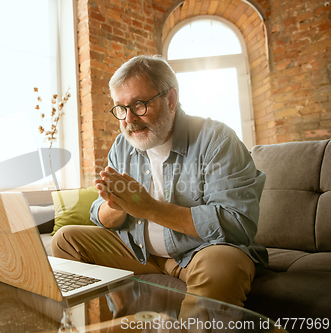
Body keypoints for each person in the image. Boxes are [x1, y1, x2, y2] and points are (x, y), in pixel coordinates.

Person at [51, 54, 267, 308]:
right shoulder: (123, 145)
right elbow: (99, 214)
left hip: (200, 253)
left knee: (222, 267)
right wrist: (117, 206)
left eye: (139, 105)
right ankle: (110, 320)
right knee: (65, 240)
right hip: (140, 253)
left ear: (171, 100)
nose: (129, 119)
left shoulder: (216, 140)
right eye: (121, 108)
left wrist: (148, 208)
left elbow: (237, 223)